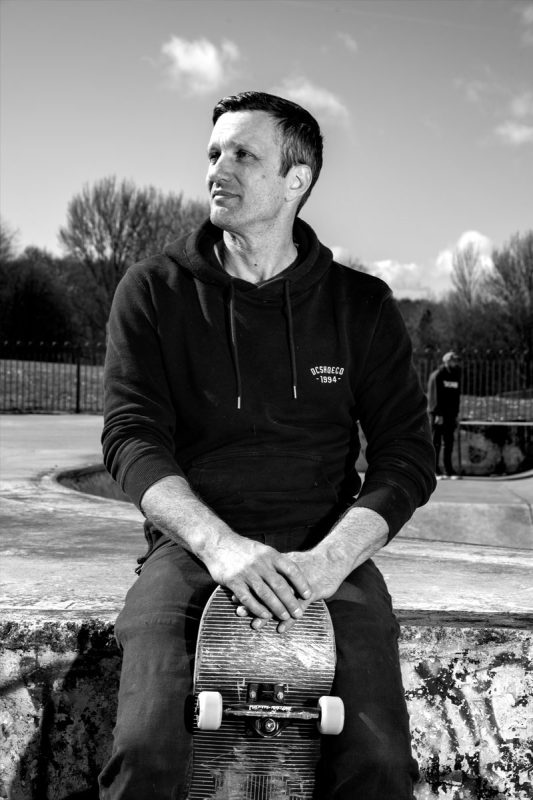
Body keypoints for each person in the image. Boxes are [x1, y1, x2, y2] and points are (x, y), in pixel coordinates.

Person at [99, 91, 436, 799]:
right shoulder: (153, 290)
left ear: (295, 179)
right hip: (191, 552)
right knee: (146, 752)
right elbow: (131, 437)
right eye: (213, 153)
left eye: (243, 155)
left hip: (325, 552)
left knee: (377, 762)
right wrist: (220, 546)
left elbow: (406, 455)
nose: (217, 169)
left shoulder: (360, 306)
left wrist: (329, 562)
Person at [427, 351, 461, 478]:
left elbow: (456, 396)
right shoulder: (438, 375)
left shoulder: (455, 375)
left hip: (450, 415)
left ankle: (449, 470)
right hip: (438, 415)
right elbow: (434, 396)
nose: (455, 363)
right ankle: (434, 470)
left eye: (456, 360)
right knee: (436, 442)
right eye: (453, 360)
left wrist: (456, 414)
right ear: (446, 361)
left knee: (449, 442)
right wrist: (437, 414)